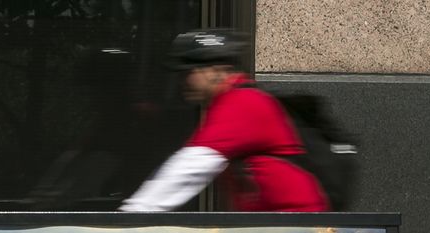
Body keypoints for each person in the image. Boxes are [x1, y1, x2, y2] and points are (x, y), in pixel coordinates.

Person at [120, 29, 329, 213]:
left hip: (298, 231)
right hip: (278, 228)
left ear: (214, 70)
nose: (181, 81)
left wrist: (133, 215)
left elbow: (190, 167)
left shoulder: (242, 102)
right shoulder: (233, 101)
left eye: (188, 72)